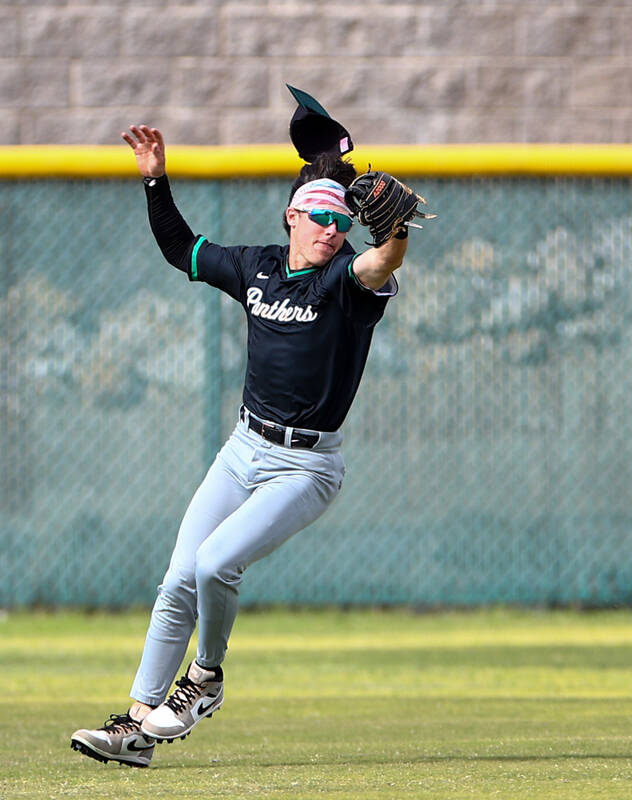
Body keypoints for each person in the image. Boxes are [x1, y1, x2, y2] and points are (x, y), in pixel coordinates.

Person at [69, 120, 429, 768]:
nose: (332, 228)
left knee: (214, 565)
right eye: (320, 214)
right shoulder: (257, 267)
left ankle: (205, 678)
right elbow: (182, 250)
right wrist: (155, 178)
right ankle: (137, 730)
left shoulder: (346, 281)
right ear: (292, 214)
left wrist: (394, 231)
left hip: (306, 464)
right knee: (179, 577)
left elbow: (383, 262)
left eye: (342, 220)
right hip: (244, 449)